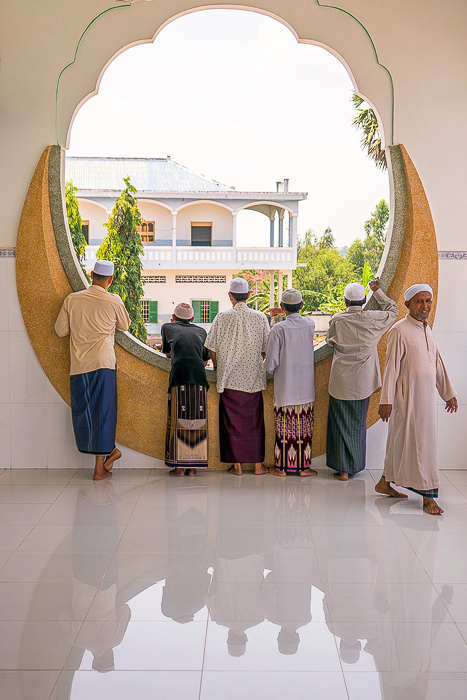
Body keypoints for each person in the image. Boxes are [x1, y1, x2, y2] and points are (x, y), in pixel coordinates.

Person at [376, 283, 458, 515]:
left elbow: (437, 364)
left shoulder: (426, 329)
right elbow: (391, 367)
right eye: (420, 301)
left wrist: (448, 393)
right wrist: (386, 400)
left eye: (428, 301)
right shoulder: (399, 330)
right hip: (406, 399)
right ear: (407, 304)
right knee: (421, 445)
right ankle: (428, 497)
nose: (425, 306)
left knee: (400, 442)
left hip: (425, 400)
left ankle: (384, 483)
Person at [54, 260, 130, 481]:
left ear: (91, 274)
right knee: (103, 415)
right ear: (111, 280)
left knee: (84, 414)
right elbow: (124, 325)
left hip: (79, 366)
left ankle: (103, 464)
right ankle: (104, 462)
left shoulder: (72, 299)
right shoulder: (113, 300)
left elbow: (60, 331)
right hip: (104, 364)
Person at [325, 278, 398, 481]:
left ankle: (342, 470)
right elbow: (393, 311)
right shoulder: (373, 319)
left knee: (339, 424)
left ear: (346, 302)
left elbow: (329, 340)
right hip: (363, 382)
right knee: (358, 423)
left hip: (340, 381)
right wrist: (377, 290)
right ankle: (355, 466)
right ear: (364, 299)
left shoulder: (337, 319)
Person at [205, 277, 270, 475]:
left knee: (231, 424)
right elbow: (266, 349)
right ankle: (258, 467)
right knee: (255, 423)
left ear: (230, 296)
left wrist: (217, 367)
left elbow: (212, 348)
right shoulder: (260, 317)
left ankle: (237, 467)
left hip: (229, 379)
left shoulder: (221, 317)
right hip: (253, 380)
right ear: (249, 295)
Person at [264, 289, 316, 477]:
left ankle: (281, 468)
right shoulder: (310, 324)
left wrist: (269, 371)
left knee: (284, 430)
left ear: (281, 307)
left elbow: (271, 363)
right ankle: (304, 468)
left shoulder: (278, 329)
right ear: (302, 306)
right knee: (304, 430)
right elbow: (297, 322)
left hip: (285, 389)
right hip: (306, 389)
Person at [161, 303, 211, 476]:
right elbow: (205, 358)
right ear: (193, 319)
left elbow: (167, 352)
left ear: (173, 318)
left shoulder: (167, 327)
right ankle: (193, 467)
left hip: (178, 377)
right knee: (198, 421)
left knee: (178, 419)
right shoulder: (201, 331)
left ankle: (179, 468)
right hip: (199, 378)